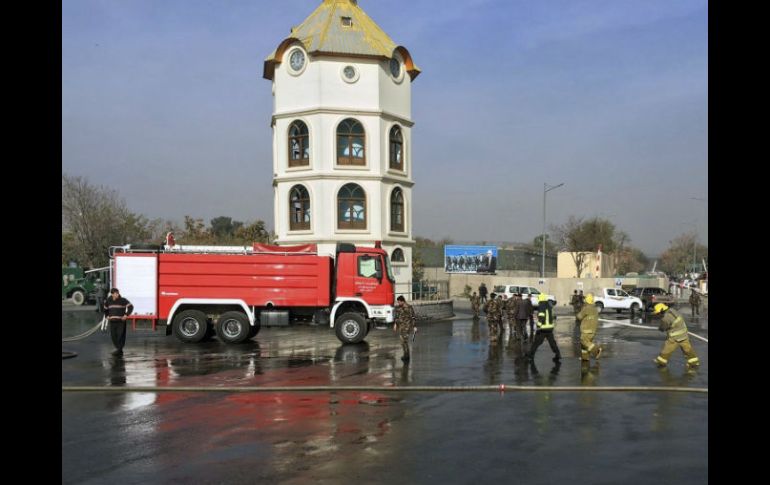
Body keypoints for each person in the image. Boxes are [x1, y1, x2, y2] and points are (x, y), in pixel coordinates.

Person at [651, 303, 699, 368]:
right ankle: (694, 362)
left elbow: (663, 328)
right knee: (687, 349)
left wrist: (660, 328)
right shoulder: (672, 311)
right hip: (684, 335)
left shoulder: (666, 318)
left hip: (675, 337)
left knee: (667, 349)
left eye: (658, 313)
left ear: (661, 311)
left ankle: (661, 362)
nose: (658, 315)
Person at [527, 293, 561, 362]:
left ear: (540, 299)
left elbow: (541, 317)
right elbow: (553, 316)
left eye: (538, 299)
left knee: (536, 342)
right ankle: (558, 354)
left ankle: (530, 355)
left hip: (543, 328)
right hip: (550, 328)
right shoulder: (549, 305)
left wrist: (538, 325)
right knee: (552, 343)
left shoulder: (541, 305)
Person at [104, 288, 134, 355]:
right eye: (115, 293)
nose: (117, 294)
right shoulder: (108, 300)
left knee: (120, 336)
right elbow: (105, 309)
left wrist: (126, 315)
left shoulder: (123, 300)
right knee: (113, 336)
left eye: (117, 293)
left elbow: (131, 307)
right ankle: (119, 349)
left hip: (121, 321)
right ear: (112, 294)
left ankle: (119, 349)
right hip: (112, 321)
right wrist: (107, 316)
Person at [576, 293, 602, 362]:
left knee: (583, 341)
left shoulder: (586, 308)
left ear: (586, 301)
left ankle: (597, 350)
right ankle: (585, 357)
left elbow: (579, 317)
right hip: (593, 330)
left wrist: (578, 312)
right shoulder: (595, 309)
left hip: (586, 330)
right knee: (585, 345)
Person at [393, 295, 416, 363]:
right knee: (402, 342)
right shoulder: (399, 307)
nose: (398, 303)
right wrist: (395, 324)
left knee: (404, 341)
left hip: (406, 327)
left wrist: (414, 326)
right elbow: (397, 317)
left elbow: (413, 317)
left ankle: (406, 356)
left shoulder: (409, 307)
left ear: (402, 301)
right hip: (401, 327)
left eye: (399, 302)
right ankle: (406, 355)